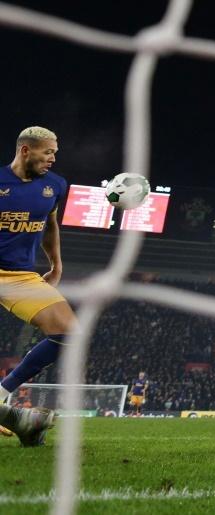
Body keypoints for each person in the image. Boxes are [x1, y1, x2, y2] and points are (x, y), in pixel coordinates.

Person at [0, 127, 77, 444]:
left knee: (69, 333)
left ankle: (3, 393)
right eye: (48, 152)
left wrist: (56, 263)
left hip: (19, 277)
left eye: (55, 152)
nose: (53, 158)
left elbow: (50, 225)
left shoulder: (55, 186)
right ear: (25, 151)